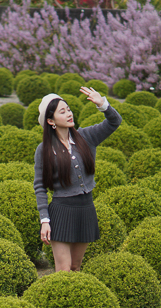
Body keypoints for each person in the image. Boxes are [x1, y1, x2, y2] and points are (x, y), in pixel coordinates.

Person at [33, 87, 122, 272]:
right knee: (64, 269)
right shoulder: (44, 150)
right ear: (51, 121)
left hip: (85, 209)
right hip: (61, 211)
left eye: (69, 109)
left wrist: (103, 104)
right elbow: (40, 186)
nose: (69, 114)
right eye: (62, 111)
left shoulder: (86, 137)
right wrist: (45, 220)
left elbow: (114, 122)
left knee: (75, 266)